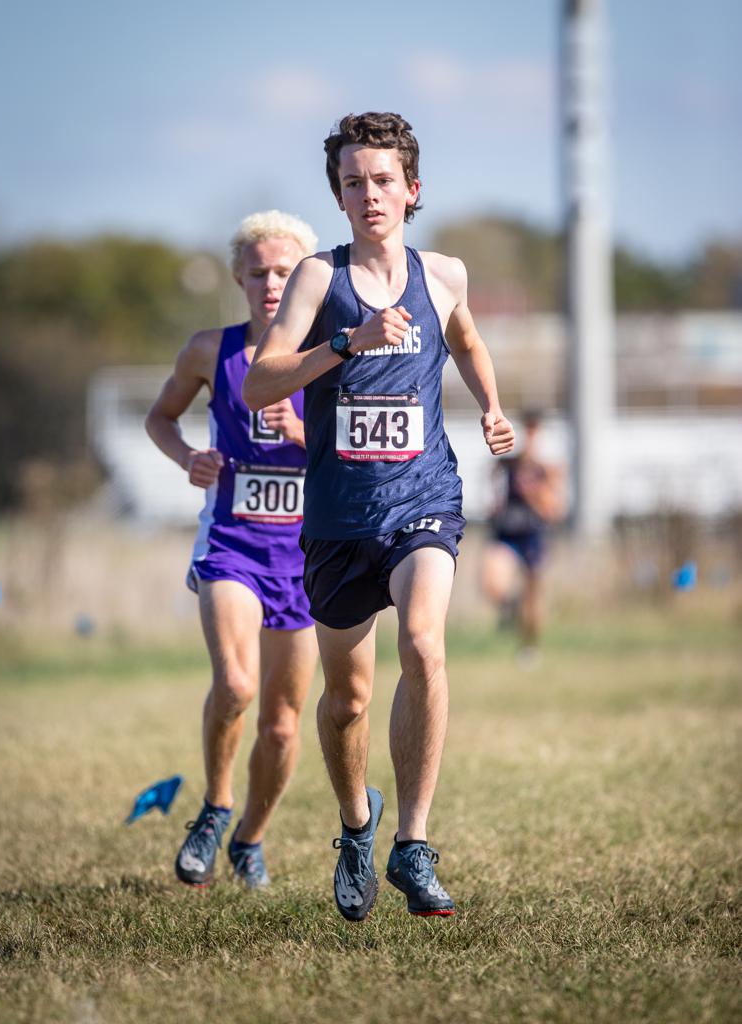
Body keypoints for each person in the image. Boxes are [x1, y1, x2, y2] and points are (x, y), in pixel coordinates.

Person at [242, 112, 514, 919]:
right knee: (347, 701)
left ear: (412, 190)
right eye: (354, 182)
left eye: (384, 180)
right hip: (337, 518)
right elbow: (262, 383)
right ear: (338, 193)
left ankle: (415, 845)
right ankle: (359, 823)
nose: (370, 195)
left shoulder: (445, 274)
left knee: (424, 643)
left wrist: (494, 406)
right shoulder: (318, 282)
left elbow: (465, 340)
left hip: (424, 496)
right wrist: (349, 344)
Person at [145, 210, 319, 889]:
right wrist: (188, 455)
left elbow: (360, 456)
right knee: (238, 684)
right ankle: (216, 808)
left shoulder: (331, 356)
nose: (272, 285)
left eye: (285, 273)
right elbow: (159, 417)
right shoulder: (208, 350)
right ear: (238, 278)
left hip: (307, 558)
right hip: (232, 546)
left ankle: (250, 838)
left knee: (280, 727)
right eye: (259, 273)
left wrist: (303, 433)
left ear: (305, 277)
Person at [482, 410, 565, 664]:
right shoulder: (508, 464)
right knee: (489, 578)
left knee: (533, 598)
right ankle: (510, 607)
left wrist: (534, 493)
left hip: (533, 535)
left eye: (534, 432)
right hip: (506, 532)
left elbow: (554, 510)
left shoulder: (547, 469)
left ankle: (529, 647)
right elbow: (490, 482)